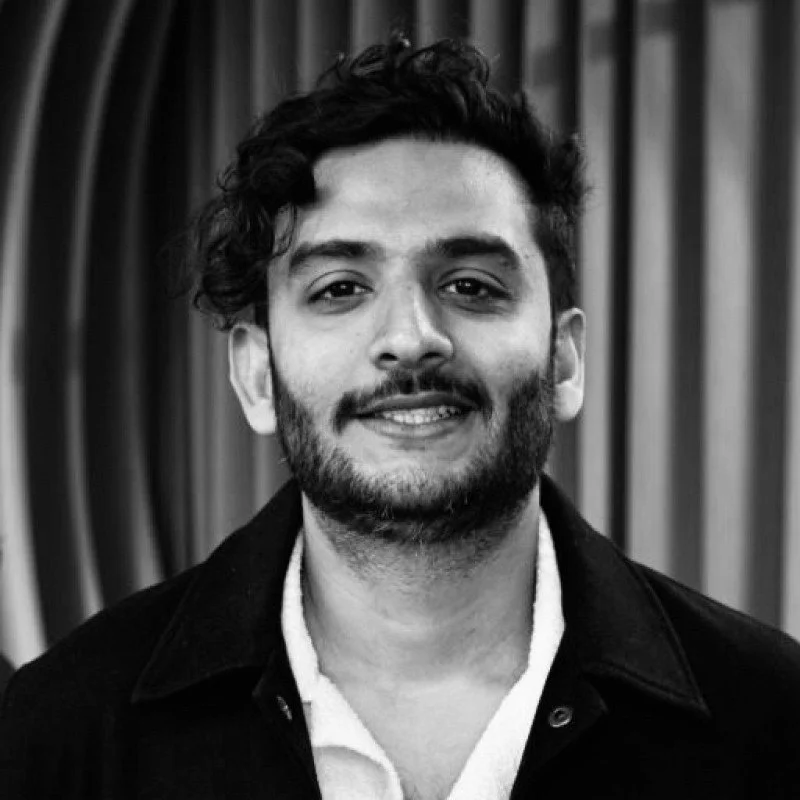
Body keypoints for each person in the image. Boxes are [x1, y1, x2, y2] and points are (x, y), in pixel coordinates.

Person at [1, 34, 799, 799]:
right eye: (341, 289)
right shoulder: (62, 734)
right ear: (256, 375)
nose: (412, 337)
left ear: (565, 360)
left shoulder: (774, 723)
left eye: (471, 285)